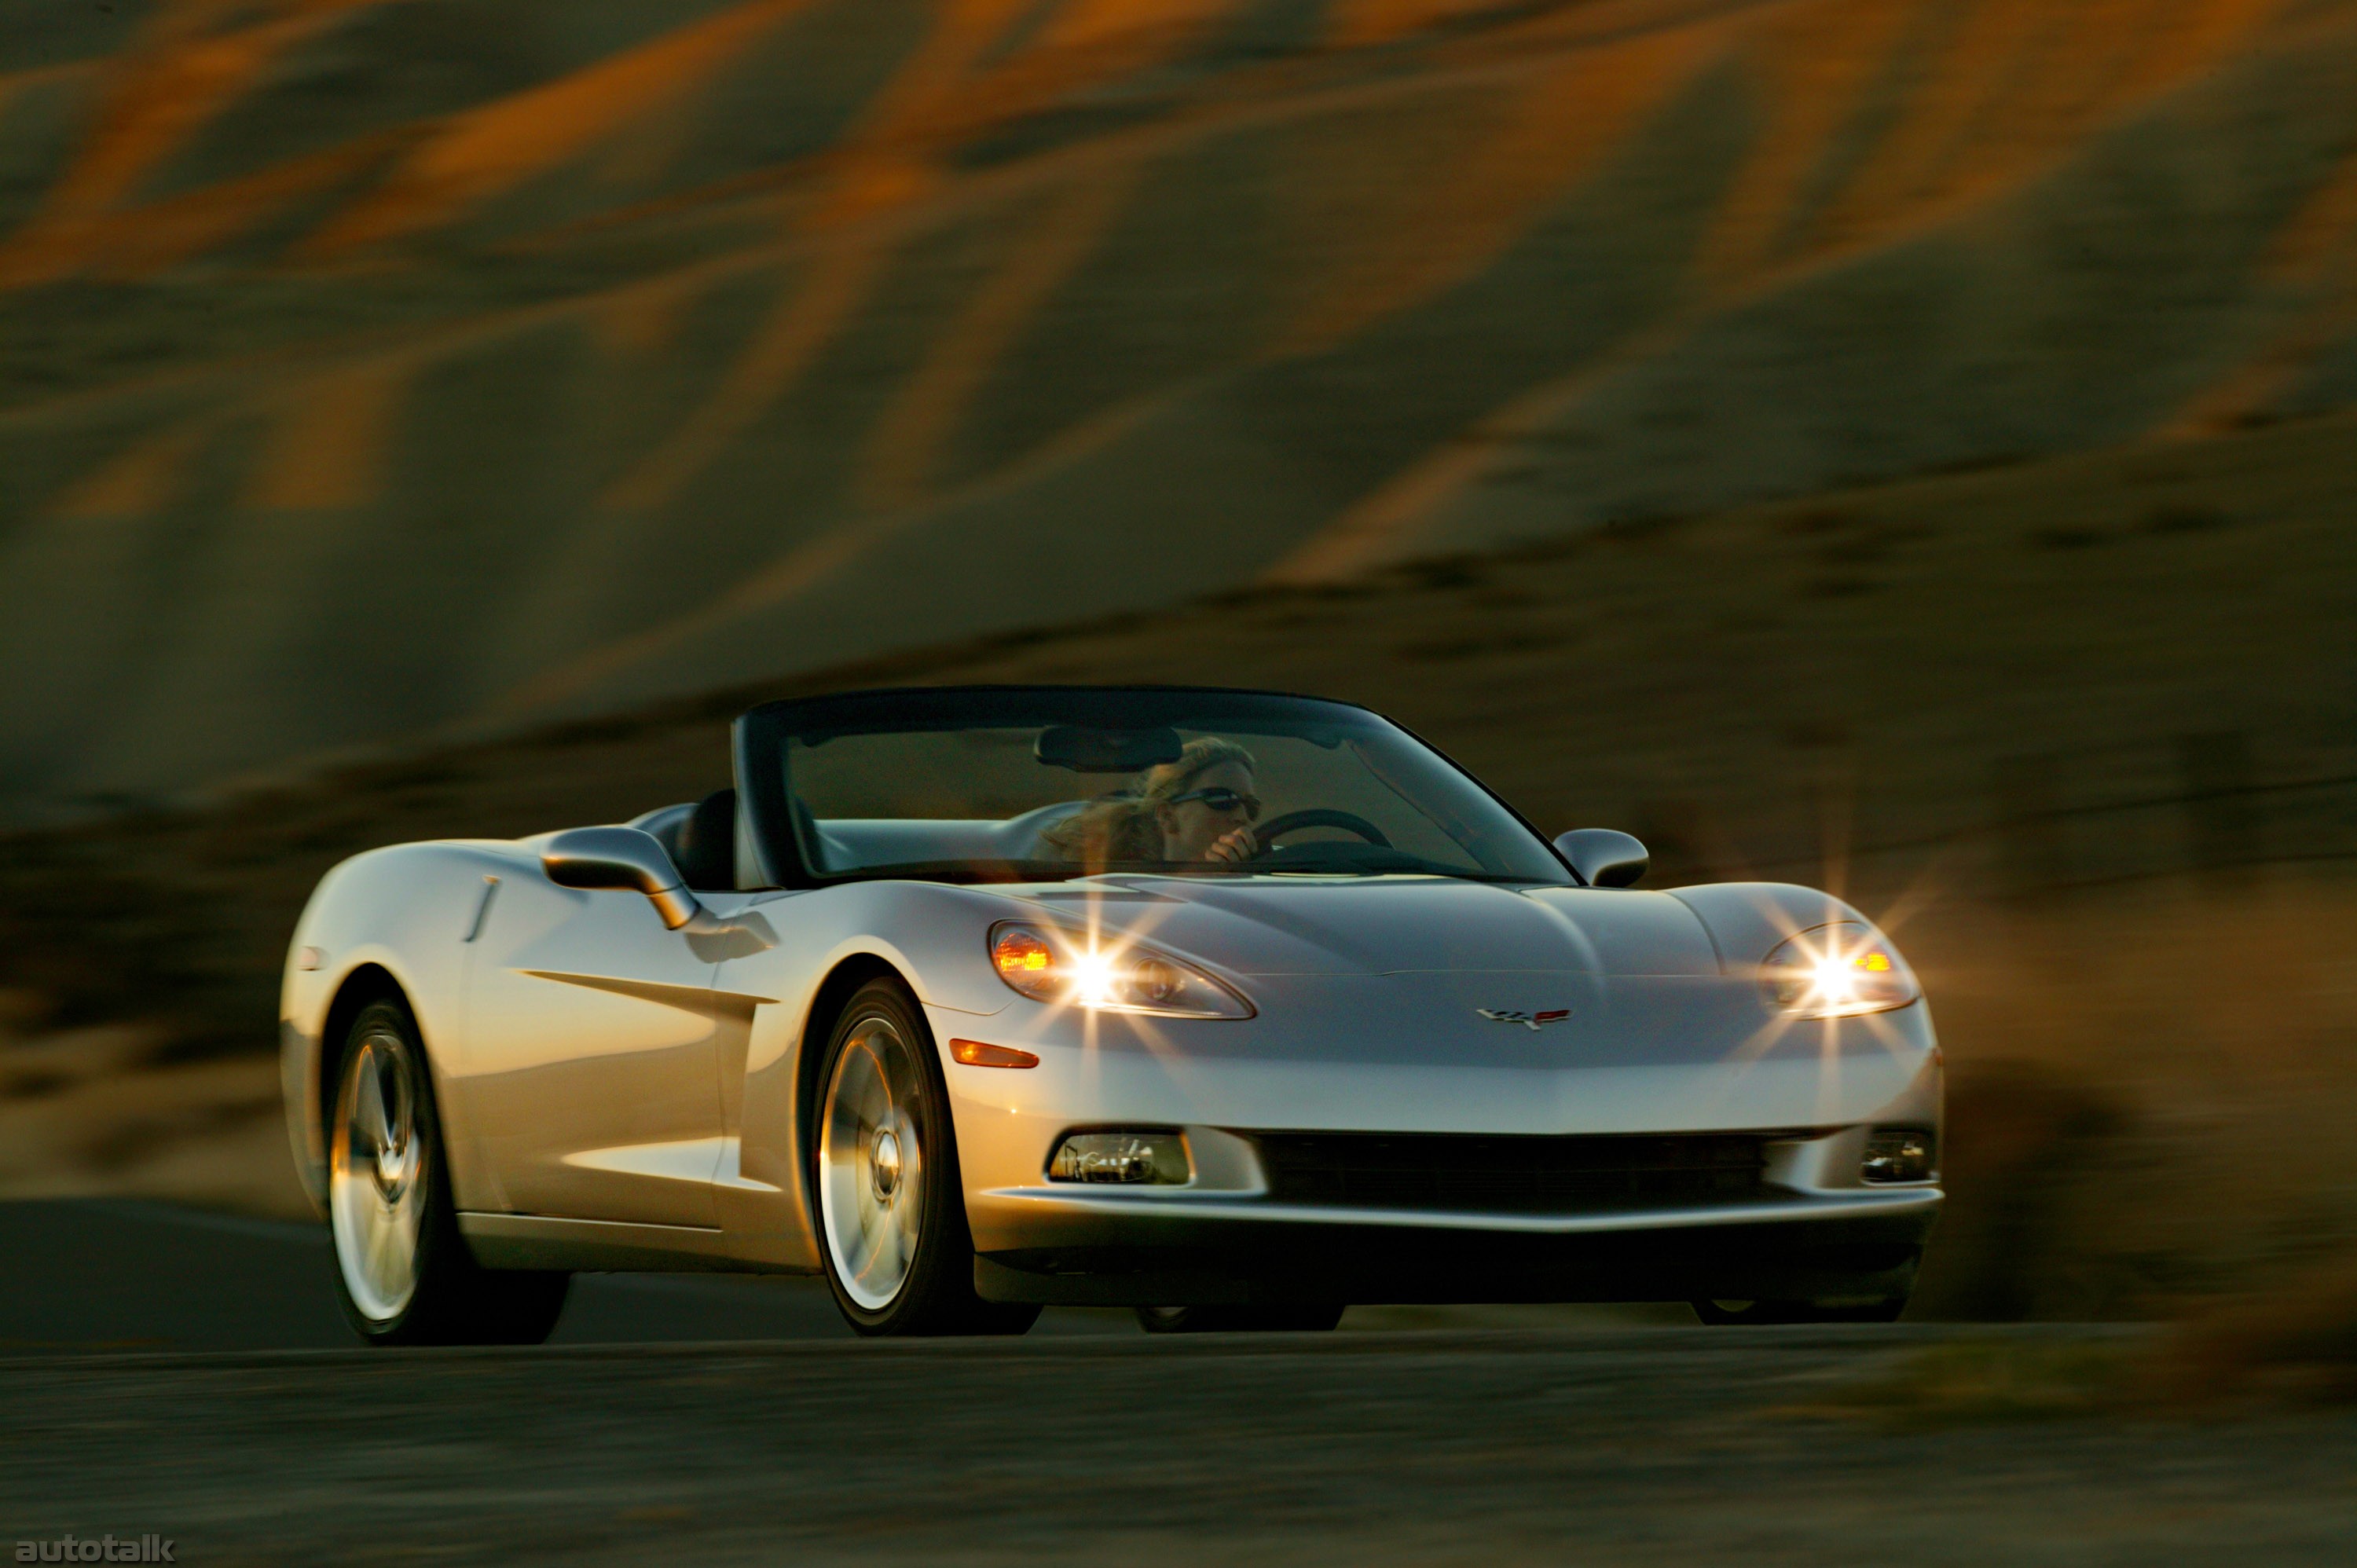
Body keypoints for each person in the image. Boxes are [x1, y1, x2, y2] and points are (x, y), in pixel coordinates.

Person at [1042, 737, 1260, 870]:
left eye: (1251, 805)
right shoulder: (1115, 890)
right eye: (1222, 799)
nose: (1242, 816)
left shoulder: (1266, 873)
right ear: (1166, 816)